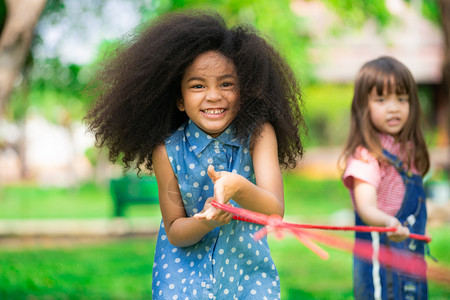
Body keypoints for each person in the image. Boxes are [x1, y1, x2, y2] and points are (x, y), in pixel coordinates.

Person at [85, 10, 306, 299]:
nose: (213, 95)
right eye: (198, 85)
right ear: (179, 99)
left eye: (226, 84)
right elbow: (175, 230)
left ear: (244, 91)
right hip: (182, 278)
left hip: (246, 274)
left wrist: (239, 186)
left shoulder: (259, 135)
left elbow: (274, 210)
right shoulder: (167, 149)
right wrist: (208, 221)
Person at [339, 56, 430, 299]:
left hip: (410, 257)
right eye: (381, 99)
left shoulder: (408, 150)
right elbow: (366, 206)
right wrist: (387, 222)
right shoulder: (367, 156)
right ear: (363, 106)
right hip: (380, 260)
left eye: (402, 99)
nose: (394, 107)